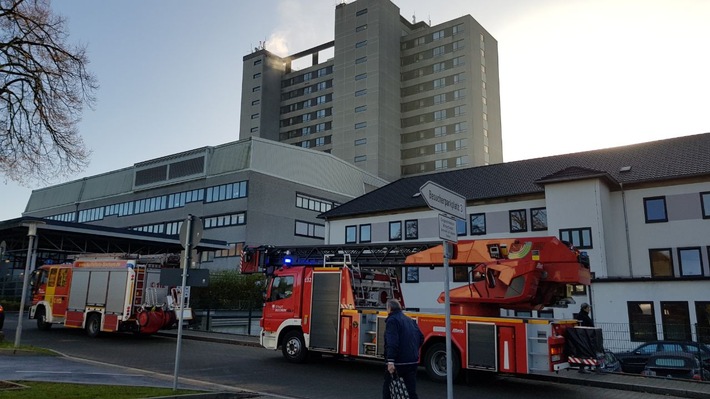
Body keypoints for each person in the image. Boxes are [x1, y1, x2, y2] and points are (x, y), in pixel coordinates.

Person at [383, 299, 424, 399]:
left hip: (399, 362)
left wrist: (391, 361)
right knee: (411, 392)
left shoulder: (392, 321)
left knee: (389, 389)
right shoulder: (410, 320)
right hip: (412, 361)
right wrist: (412, 350)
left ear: (389, 309)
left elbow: (392, 342)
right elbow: (421, 337)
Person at [575, 303, 595, 373]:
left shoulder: (583, 315)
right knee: (585, 352)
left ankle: (583, 367)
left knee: (584, 353)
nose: (589, 309)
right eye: (588, 308)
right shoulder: (582, 316)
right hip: (585, 337)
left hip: (586, 337)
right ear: (584, 309)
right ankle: (583, 368)